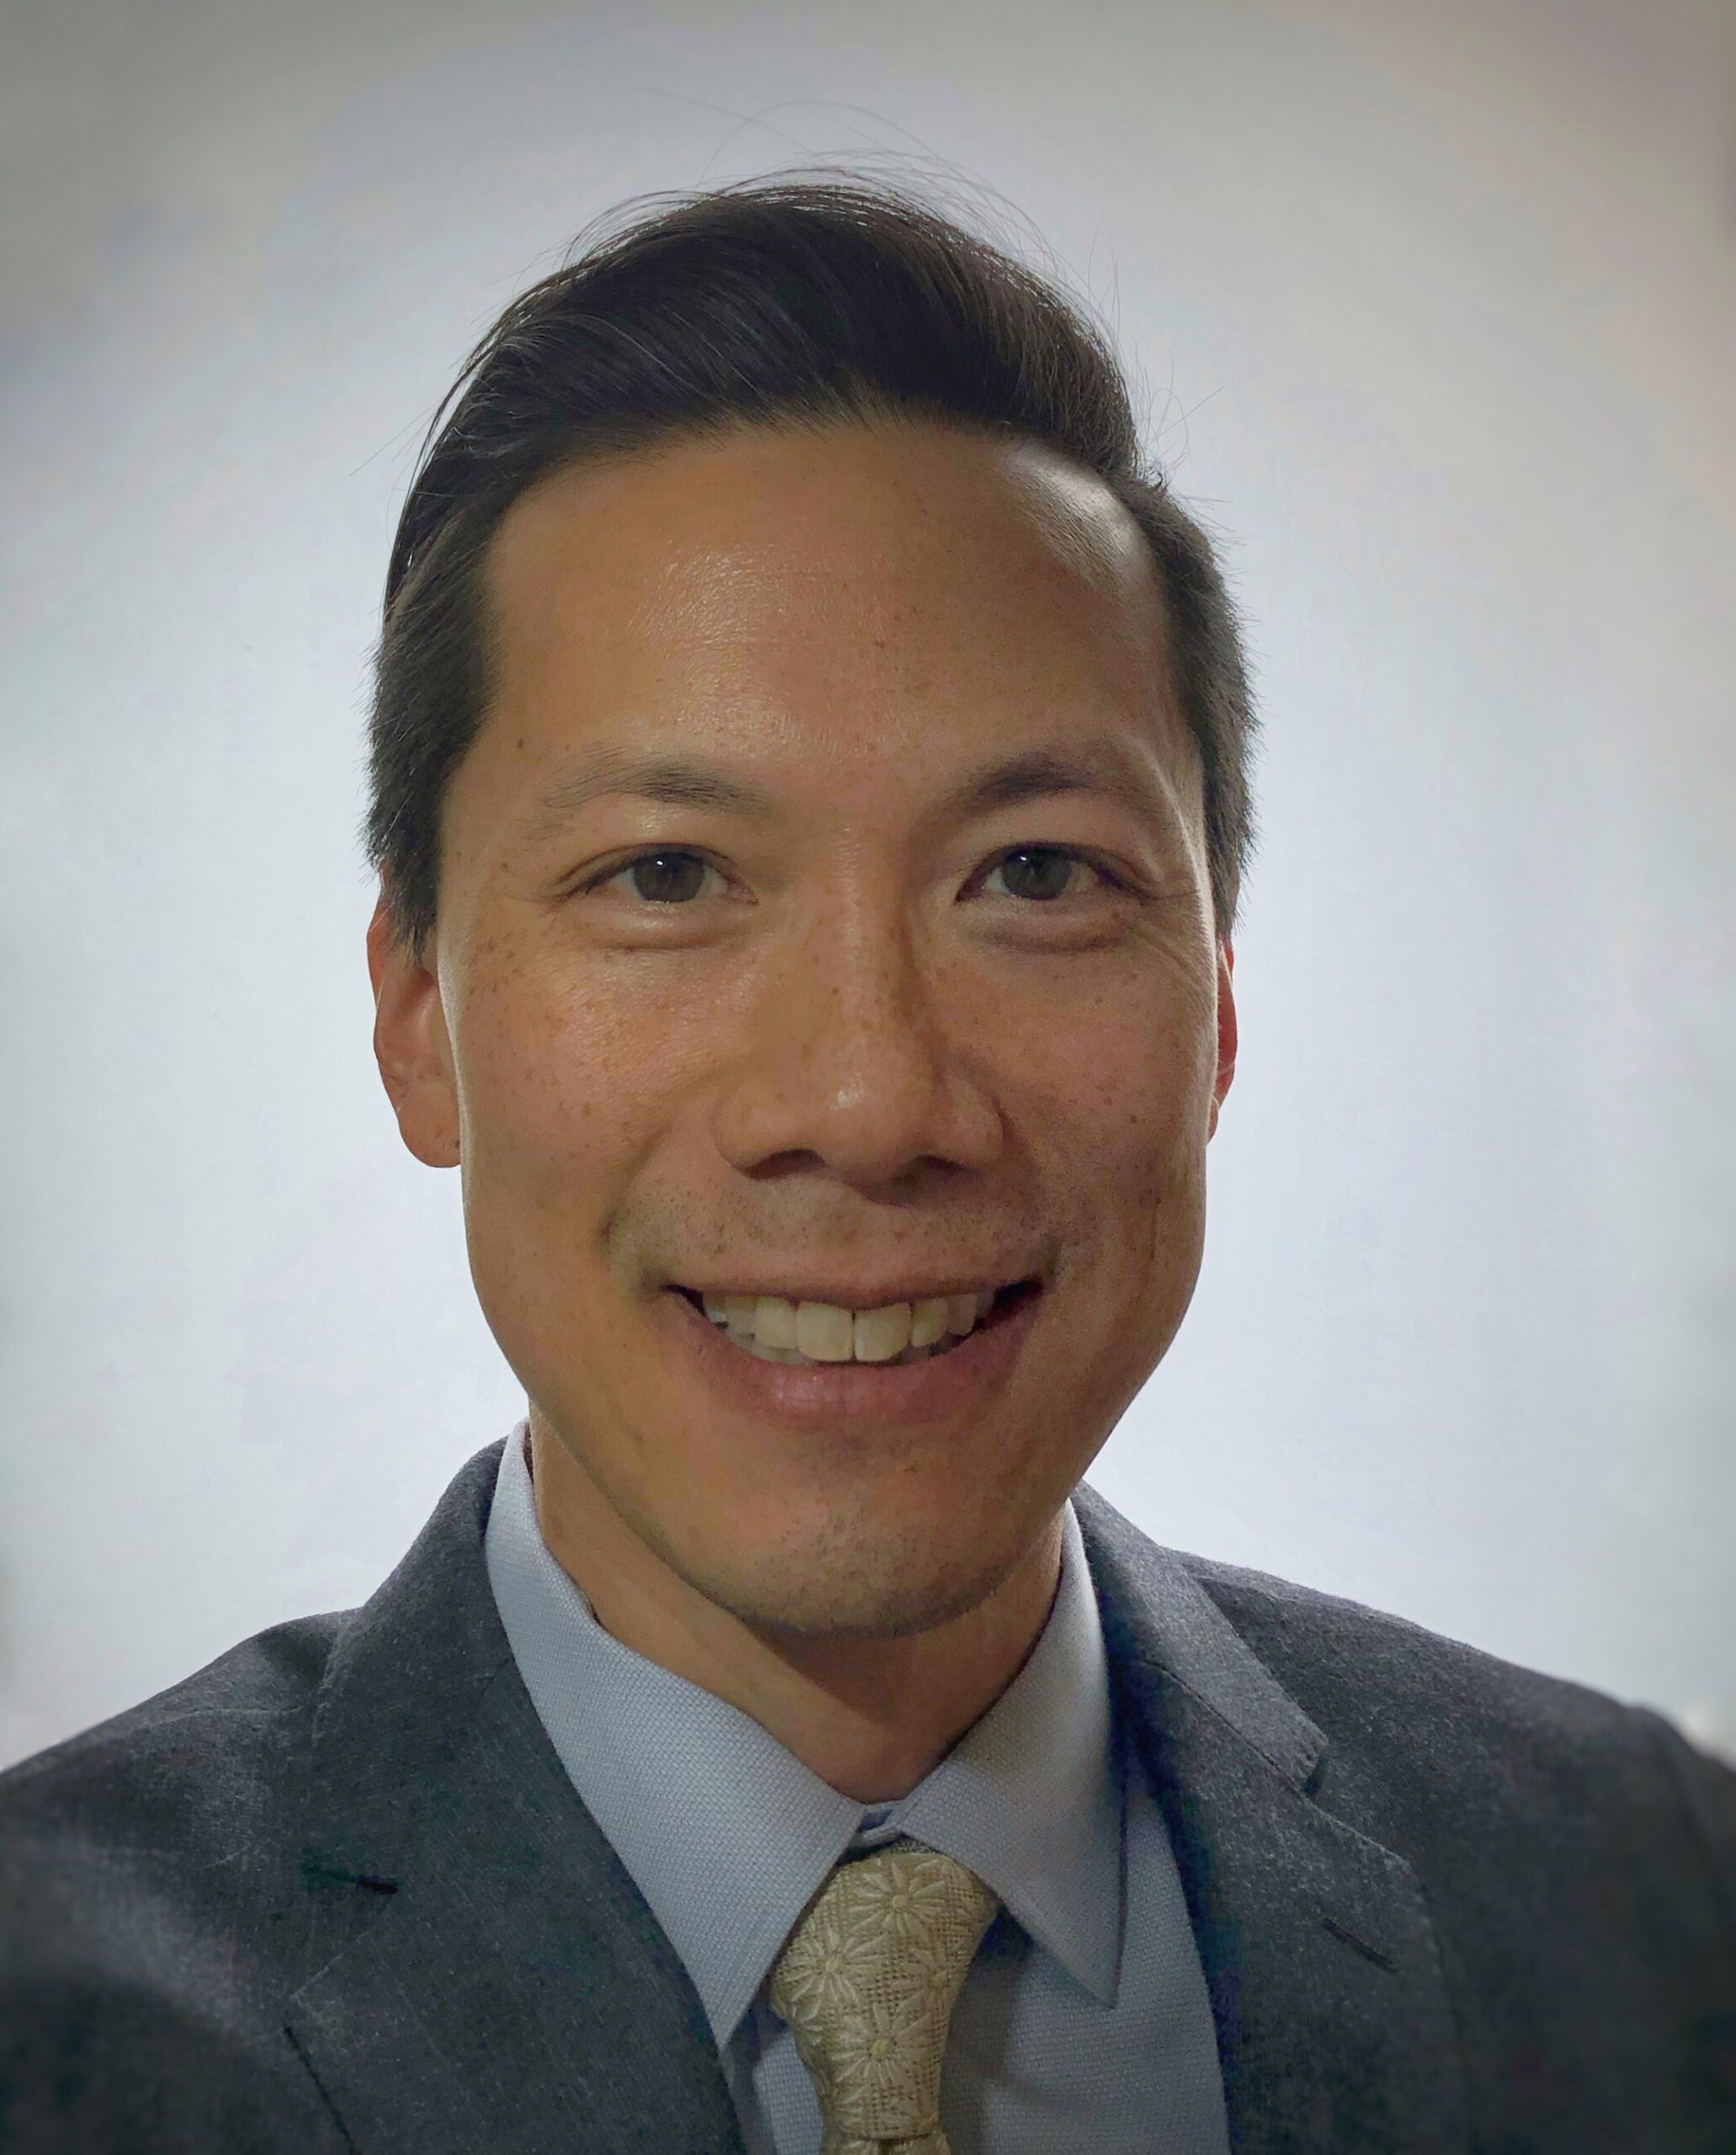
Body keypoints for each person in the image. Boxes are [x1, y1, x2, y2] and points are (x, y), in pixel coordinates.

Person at [1, 173, 1731, 2155]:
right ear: (416, 1017)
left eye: (1035, 876)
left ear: (1221, 1013)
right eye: (664, 875)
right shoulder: (54, 2020)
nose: (867, 1096)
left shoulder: (1647, 1910)